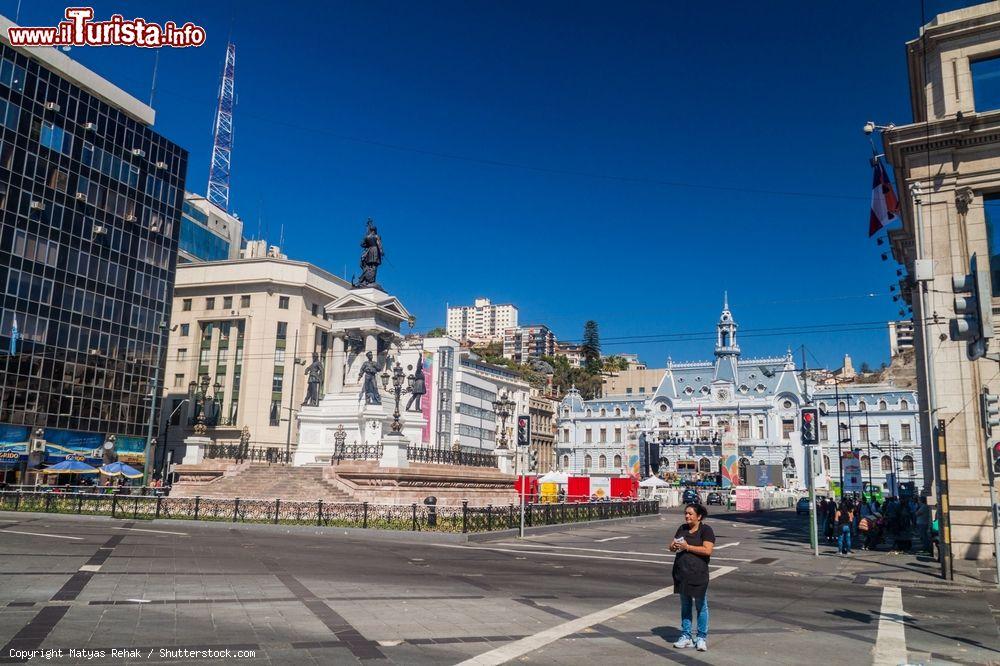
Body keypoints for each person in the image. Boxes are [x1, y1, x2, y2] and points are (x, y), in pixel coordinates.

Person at [670, 504, 716, 652]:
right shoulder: (682, 528)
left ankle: (701, 637)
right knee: (685, 605)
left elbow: (707, 550)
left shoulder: (706, 530)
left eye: (690, 514)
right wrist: (674, 546)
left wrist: (687, 547)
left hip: (698, 574)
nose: (687, 516)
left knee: (701, 606)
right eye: (686, 513)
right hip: (681, 572)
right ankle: (686, 636)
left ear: (699, 516)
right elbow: (672, 546)